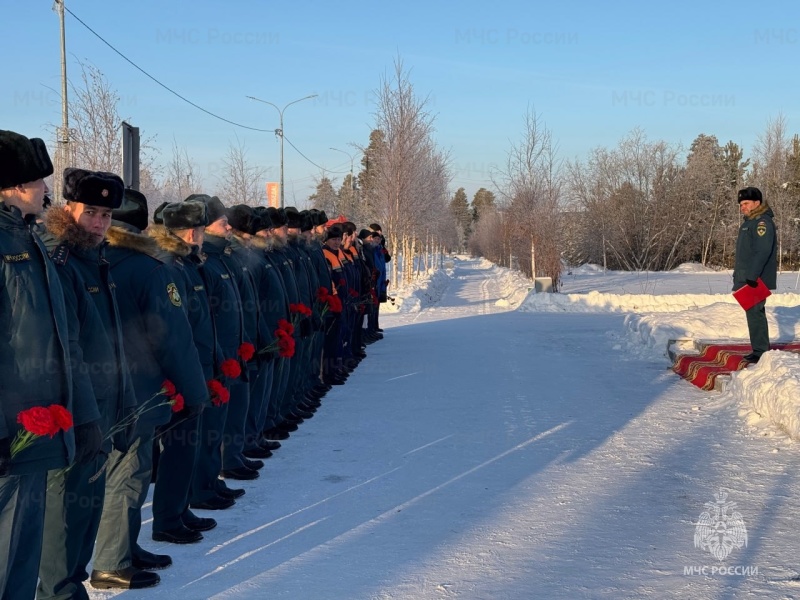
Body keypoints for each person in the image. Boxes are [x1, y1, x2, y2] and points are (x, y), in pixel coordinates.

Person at [0, 130, 101, 599]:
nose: (46, 190)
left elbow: (64, 341)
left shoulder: (31, 241)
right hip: (11, 434)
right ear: (12, 185)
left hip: (37, 429)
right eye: (39, 181)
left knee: (23, 553)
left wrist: (84, 415)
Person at [38, 168, 135, 600]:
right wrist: (85, 417)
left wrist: (124, 405)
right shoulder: (60, 262)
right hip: (75, 414)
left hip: (101, 408)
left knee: (86, 514)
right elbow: (66, 351)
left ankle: (70, 588)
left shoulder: (94, 259)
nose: (99, 223)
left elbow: (111, 344)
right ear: (68, 208)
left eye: (106, 215)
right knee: (62, 517)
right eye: (90, 212)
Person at [733, 186, 777, 363]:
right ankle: (759, 349)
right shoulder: (749, 222)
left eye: (746, 203)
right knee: (753, 313)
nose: (742, 207)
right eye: (741, 204)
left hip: (756, 278)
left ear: (757, 203)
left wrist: (752, 275)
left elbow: (762, 251)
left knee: (755, 312)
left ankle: (760, 351)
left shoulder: (761, 223)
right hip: (747, 276)